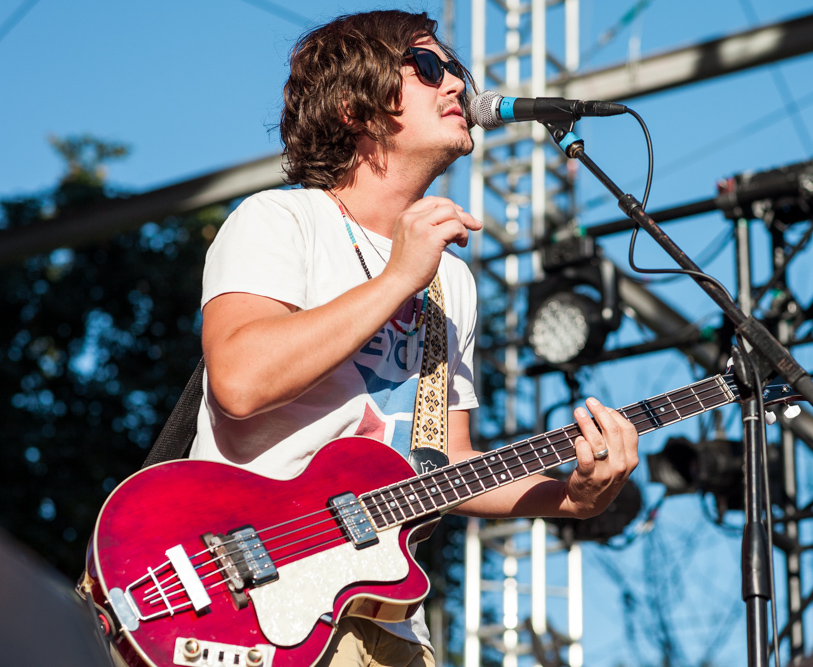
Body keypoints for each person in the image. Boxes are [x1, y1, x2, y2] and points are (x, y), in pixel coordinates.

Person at [189, 9, 639, 667]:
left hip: (386, 620)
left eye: (455, 68)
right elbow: (239, 381)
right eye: (428, 67)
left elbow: (440, 464)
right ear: (352, 107)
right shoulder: (280, 221)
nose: (456, 84)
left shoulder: (449, 281)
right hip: (244, 592)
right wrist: (398, 275)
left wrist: (568, 496)